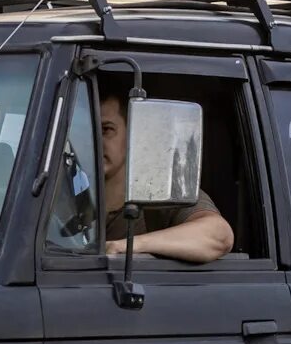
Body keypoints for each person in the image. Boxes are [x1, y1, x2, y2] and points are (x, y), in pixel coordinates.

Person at [98, 87, 235, 264]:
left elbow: (218, 236)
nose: (93, 140)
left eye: (106, 129)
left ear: (132, 134)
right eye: (86, 130)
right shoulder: (63, 195)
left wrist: (125, 246)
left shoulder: (160, 189)